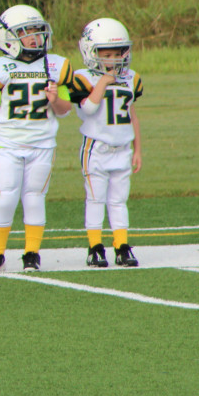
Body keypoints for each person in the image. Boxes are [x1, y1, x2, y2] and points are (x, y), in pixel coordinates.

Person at [0, 4, 73, 273]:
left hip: (42, 145)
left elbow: (66, 110)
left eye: (36, 31)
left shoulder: (56, 65)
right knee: (5, 197)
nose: (33, 37)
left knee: (34, 198)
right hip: (8, 144)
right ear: (7, 37)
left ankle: (32, 254)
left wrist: (55, 101)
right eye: (25, 32)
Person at [67, 18, 143, 267]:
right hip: (96, 149)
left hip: (122, 148)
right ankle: (95, 246)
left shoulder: (131, 78)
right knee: (95, 198)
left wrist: (138, 149)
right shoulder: (82, 78)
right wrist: (101, 83)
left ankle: (122, 245)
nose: (113, 59)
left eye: (117, 53)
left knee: (119, 200)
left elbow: (132, 115)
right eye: (106, 54)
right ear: (91, 53)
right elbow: (87, 109)